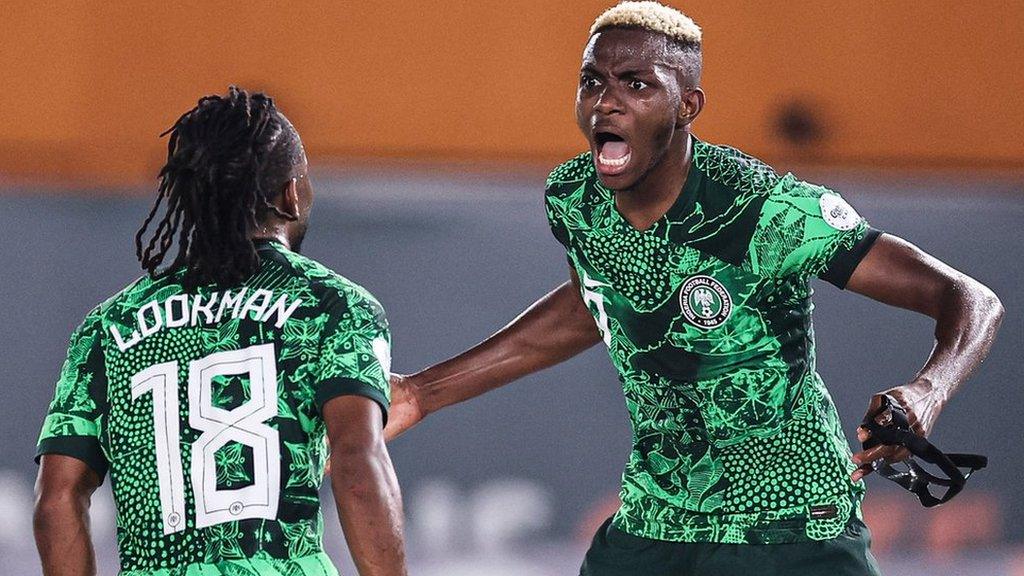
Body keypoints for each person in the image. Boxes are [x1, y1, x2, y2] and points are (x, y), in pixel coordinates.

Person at [384, 3, 1004, 575]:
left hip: (789, 531)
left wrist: (927, 391)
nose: (606, 102)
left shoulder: (766, 209)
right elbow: (595, 303)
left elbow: (972, 301)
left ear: (687, 106)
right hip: (656, 524)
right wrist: (421, 392)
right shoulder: (576, 200)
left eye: (637, 84)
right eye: (592, 81)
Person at [33, 87, 407, 576]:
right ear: (291, 195)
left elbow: (55, 500)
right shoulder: (333, 305)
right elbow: (357, 467)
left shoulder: (109, 326)